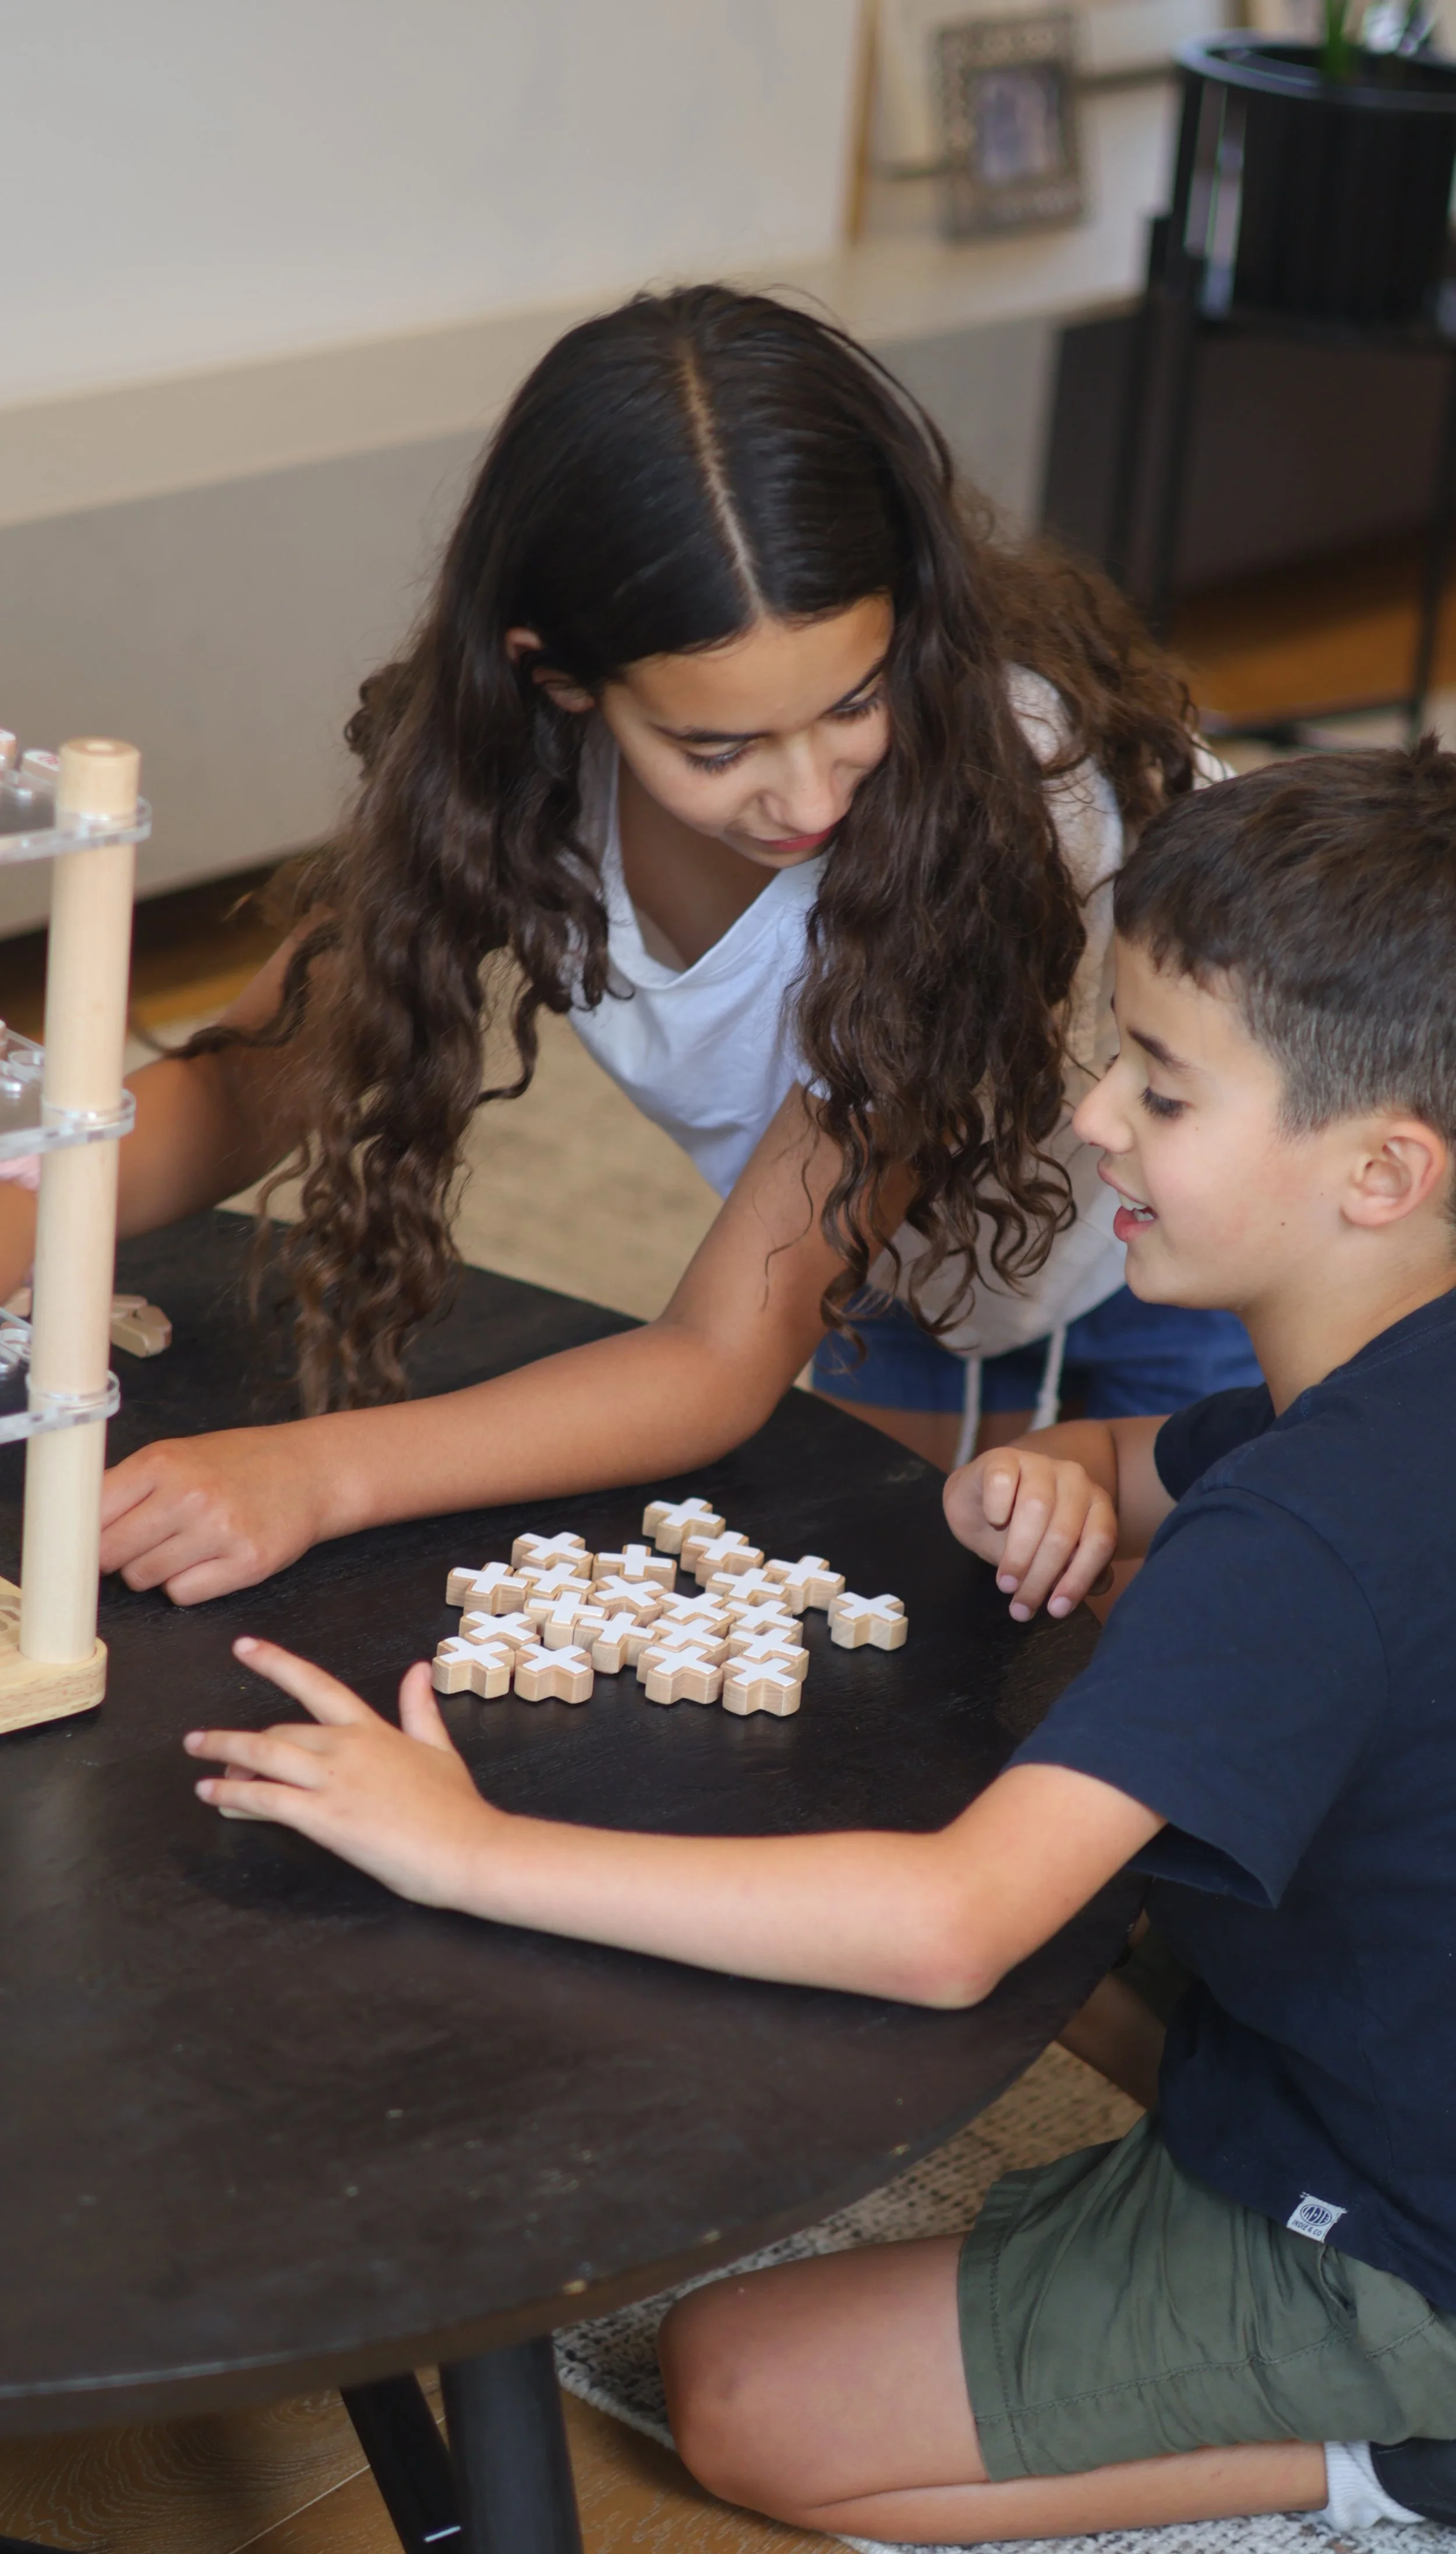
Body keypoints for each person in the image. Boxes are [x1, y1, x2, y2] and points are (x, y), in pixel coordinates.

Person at [186, 745, 1456, 2541]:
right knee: (1037, 1873)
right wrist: (1060, 1475)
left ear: (1384, 1169)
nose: (1090, 1116)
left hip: (1408, 2234)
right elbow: (1138, 1460)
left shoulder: (1301, 1537)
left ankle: (1408, 2448)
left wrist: (465, 1846)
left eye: (1157, 1089)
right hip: (1394, 2026)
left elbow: (948, 1934)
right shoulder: (1382, 1388)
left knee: (743, 2391)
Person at [23, 283, 1254, 1609]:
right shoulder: (508, 775)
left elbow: (723, 1355)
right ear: (557, 679)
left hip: (1211, 1258)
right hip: (904, 1270)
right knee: (917, 1585)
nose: (809, 799)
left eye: (853, 701)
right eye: (716, 748)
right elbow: (246, 1083)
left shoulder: (1000, 817)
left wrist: (311, 1474)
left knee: (1197, 1630)